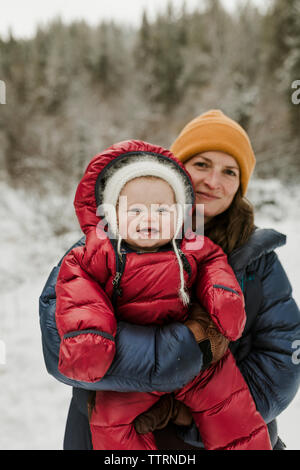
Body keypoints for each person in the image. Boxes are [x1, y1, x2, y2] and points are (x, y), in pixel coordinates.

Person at [39, 110, 300, 450]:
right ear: (178, 169)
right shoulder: (100, 247)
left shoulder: (259, 258)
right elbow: (64, 348)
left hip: (219, 430)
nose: (213, 181)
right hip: (115, 426)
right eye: (202, 164)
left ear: (240, 184)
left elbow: (284, 355)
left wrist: (193, 420)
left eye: (230, 171)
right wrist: (187, 350)